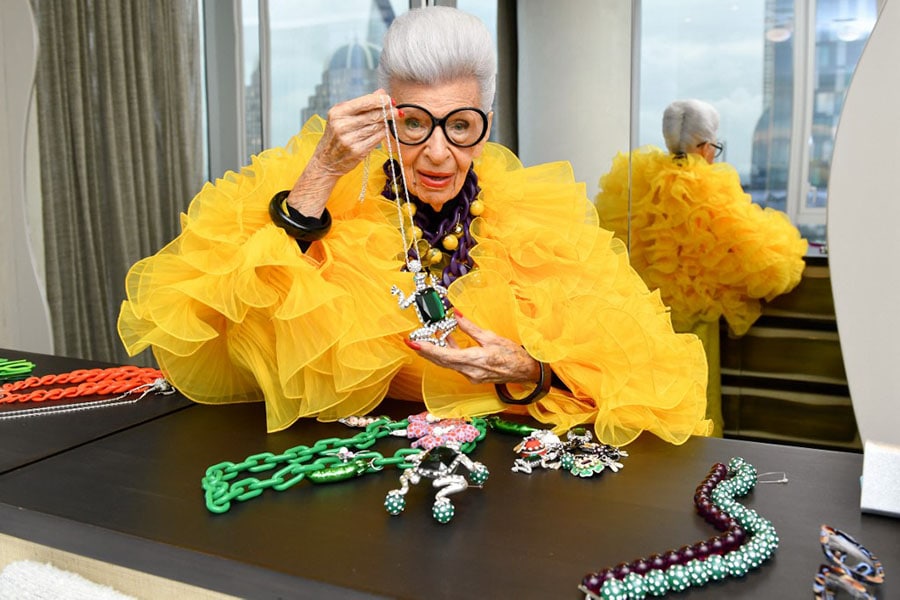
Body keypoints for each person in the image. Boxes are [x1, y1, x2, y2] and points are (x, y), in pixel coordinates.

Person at [118, 7, 711, 447]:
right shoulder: (326, 190)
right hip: (346, 461)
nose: (434, 152)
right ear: (384, 114)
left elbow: (642, 376)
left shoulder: (541, 225)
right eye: (413, 123)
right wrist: (320, 175)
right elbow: (214, 326)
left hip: (504, 474)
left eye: (459, 125)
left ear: (487, 124)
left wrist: (531, 371)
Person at [596, 99, 808, 434]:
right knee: (696, 400)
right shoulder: (710, 186)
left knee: (651, 399)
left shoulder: (635, 179)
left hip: (642, 316)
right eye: (715, 147)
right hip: (694, 315)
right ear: (705, 146)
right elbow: (758, 256)